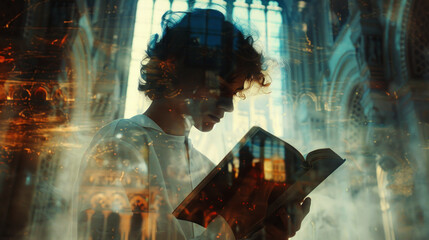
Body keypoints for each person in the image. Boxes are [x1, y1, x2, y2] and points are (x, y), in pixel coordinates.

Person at [75, 8, 310, 240]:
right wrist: (229, 225)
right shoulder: (121, 141)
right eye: (219, 86)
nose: (228, 106)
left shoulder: (208, 171)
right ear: (175, 67)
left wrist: (267, 236)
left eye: (234, 93)